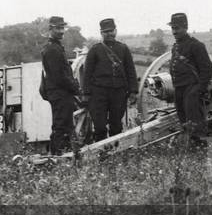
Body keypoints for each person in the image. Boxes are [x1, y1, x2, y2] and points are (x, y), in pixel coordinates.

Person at [82, 18, 139, 142]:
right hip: (98, 93)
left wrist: (133, 91)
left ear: (116, 31)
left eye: (111, 31)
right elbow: (87, 74)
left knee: (116, 125)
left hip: (118, 92)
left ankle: (115, 152)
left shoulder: (123, 49)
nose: (109, 34)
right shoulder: (95, 50)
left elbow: (131, 71)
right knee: (100, 126)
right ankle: (101, 152)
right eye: (106, 31)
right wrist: (86, 93)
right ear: (101, 33)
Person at [167, 12, 212, 148]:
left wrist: (199, 90)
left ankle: (201, 146)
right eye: (173, 28)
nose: (174, 31)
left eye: (177, 28)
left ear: (185, 28)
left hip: (192, 88)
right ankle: (191, 145)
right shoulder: (176, 47)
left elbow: (207, 70)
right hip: (179, 88)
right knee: (183, 118)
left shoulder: (196, 45)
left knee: (195, 119)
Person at [40, 16, 80, 155]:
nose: (61, 31)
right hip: (60, 93)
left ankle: (68, 155)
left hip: (60, 93)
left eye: (63, 28)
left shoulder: (55, 47)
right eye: (58, 28)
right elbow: (59, 77)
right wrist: (75, 87)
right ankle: (56, 157)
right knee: (60, 126)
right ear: (50, 29)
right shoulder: (52, 49)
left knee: (66, 125)